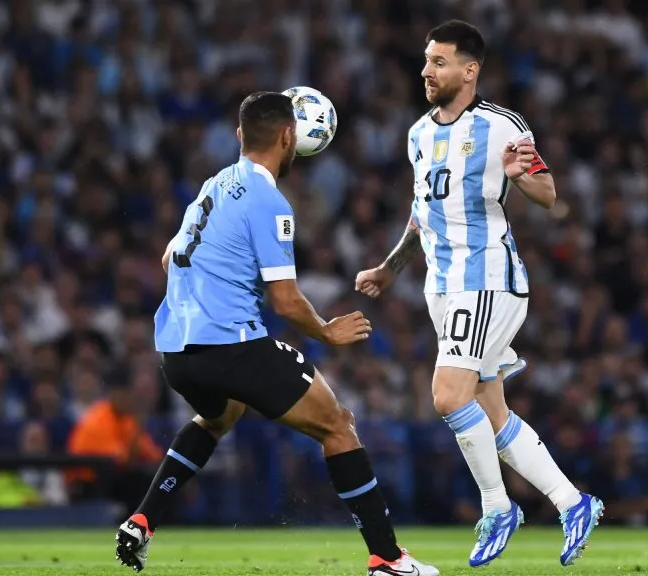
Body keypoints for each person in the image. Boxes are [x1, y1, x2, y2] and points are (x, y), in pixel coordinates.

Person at [115, 92, 439, 576]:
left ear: (240, 134)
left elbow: (168, 259)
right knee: (338, 424)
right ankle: (387, 559)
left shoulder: (214, 185)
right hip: (230, 345)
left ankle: (142, 519)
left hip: (177, 352)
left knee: (219, 417)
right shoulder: (270, 202)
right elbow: (285, 301)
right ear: (290, 137)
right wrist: (327, 332)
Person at [354, 20, 603, 567]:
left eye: (439, 62)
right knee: (491, 412)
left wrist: (521, 176)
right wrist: (390, 268)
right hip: (440, 287)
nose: (426, 71)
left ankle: (498, 506)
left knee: (447, 395)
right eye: (426, 61)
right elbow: (422, 216)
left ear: (470, 70)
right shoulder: (419, 134)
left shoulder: (500, 126)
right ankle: (573, 501)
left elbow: (548, 191)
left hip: (487, 278)